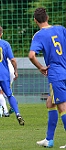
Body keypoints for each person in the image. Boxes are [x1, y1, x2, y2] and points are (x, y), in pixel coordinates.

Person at [28, 7, 66, 148]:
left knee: (62, 107)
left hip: (56, 74)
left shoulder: (39, 35)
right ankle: (49, 139)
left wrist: (40, 67)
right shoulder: (61, 29)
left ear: (35, 20)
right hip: (65, 69)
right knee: (50, 103)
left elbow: (32, 55)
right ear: (47, 17)